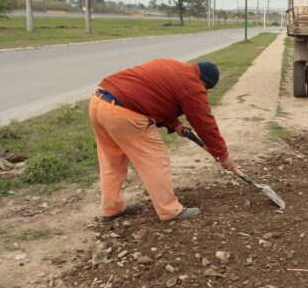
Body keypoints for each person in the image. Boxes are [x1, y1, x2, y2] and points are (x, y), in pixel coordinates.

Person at [88, 59, 235, 222]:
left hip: (99, 102)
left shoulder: (176, 67)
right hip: (124, 111)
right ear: (204, 82)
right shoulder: (192, 85)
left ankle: (112, 208)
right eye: (206, 89)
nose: (204, 91)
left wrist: (175, 124)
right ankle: (170, 210)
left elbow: (156, 97)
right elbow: (204, 123)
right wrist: (223, 155)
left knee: (112, 163)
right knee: (155, 162)